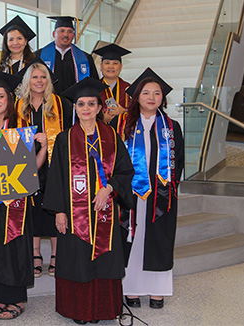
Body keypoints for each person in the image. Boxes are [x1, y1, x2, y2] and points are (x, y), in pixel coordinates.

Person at [43, 77, 134, 324]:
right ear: (76, 108)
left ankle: (104, 309)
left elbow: (125, 171)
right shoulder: (65, 138)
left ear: (99, 107)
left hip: (104, 210)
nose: (85, 108)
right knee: (77, 259)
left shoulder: (111, 136)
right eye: (81, 104)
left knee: (104, 256)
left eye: (91, 103)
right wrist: (59, 211)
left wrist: (110, 188)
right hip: (74, 214)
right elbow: (57, 177)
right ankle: (79, 311)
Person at [0, 70, 47, 320]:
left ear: (9, 98)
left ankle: (15, 298)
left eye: (1, 96)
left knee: (14, 245)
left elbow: (33, 168)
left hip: (16, 199)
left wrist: (45, 147)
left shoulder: (22, 127)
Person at [113, 68, 184, 310]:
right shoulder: (120, 124)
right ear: (136, 97)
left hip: (160, 195)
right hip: (129, 193)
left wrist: (168, 188)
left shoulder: (172, 127)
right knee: (131, 236)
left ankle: (157, 290)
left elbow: (179, 161)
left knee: (158, 240)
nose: (152, 97)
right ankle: (131, 288)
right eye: (146, 92)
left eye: (157, 93)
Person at [15, 58, 67, 279]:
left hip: (53, 162)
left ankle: (56, 254)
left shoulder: (61, 103)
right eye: (35, 77)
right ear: (28, 80)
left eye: (43, 77)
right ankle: (35, 253)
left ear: (48, 81)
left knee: (53, 204)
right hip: (27, 162)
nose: (39, 81)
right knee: (31, 208)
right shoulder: (18, 104)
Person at [36, 16, 99, 94]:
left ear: (73, 35)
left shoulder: (86, 58)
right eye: (62, 31)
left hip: (75, 104)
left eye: (69, 31)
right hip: (48, 103)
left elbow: (93, 85)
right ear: (54, 33)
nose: (66, 35)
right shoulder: (38, 56)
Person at [92, 43, 132, 123]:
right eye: (107, 63)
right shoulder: (93, 88)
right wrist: (101, 118)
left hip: (123, 133)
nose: (111, 66)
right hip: (100, 132)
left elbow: (139, 113)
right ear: (101, 66)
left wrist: (124, 111)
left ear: (120, 67)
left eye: (115, 63)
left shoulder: (129, 89)